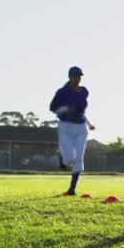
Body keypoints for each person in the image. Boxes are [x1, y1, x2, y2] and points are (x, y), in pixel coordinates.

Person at [50, 66, 95, 196]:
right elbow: (52, 108)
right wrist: (65, 109)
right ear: (69, 77)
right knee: (69, 158)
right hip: (66, 126)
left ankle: (72, 189)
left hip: (81, 127)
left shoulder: (84, 91)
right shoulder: (62, 92)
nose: (78, 79)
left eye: (79, 76)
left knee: (79, 158)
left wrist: (89, 124)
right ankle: (62, 157)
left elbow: (81, 111)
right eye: (75, 76)